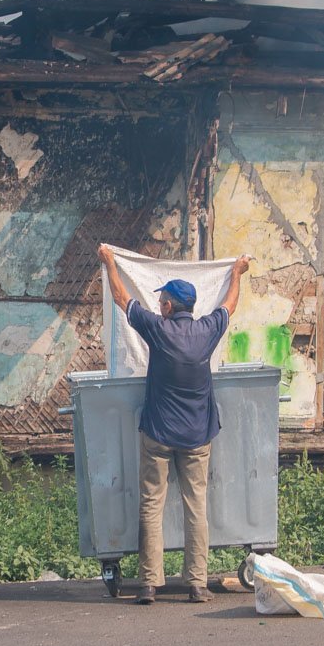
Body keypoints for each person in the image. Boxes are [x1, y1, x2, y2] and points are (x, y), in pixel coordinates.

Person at [97, 245, 250, 605]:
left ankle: (150, 585)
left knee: (151, 504)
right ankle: (197, 584)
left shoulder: (157, 329)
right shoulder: (208, 330)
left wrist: (110, 264)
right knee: (196, 506)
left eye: (161, 300)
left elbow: (122, 298)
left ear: (166, 307)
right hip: (198, 435)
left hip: (158, 434)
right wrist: (236, 274)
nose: (159, 305)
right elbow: (230, 304)